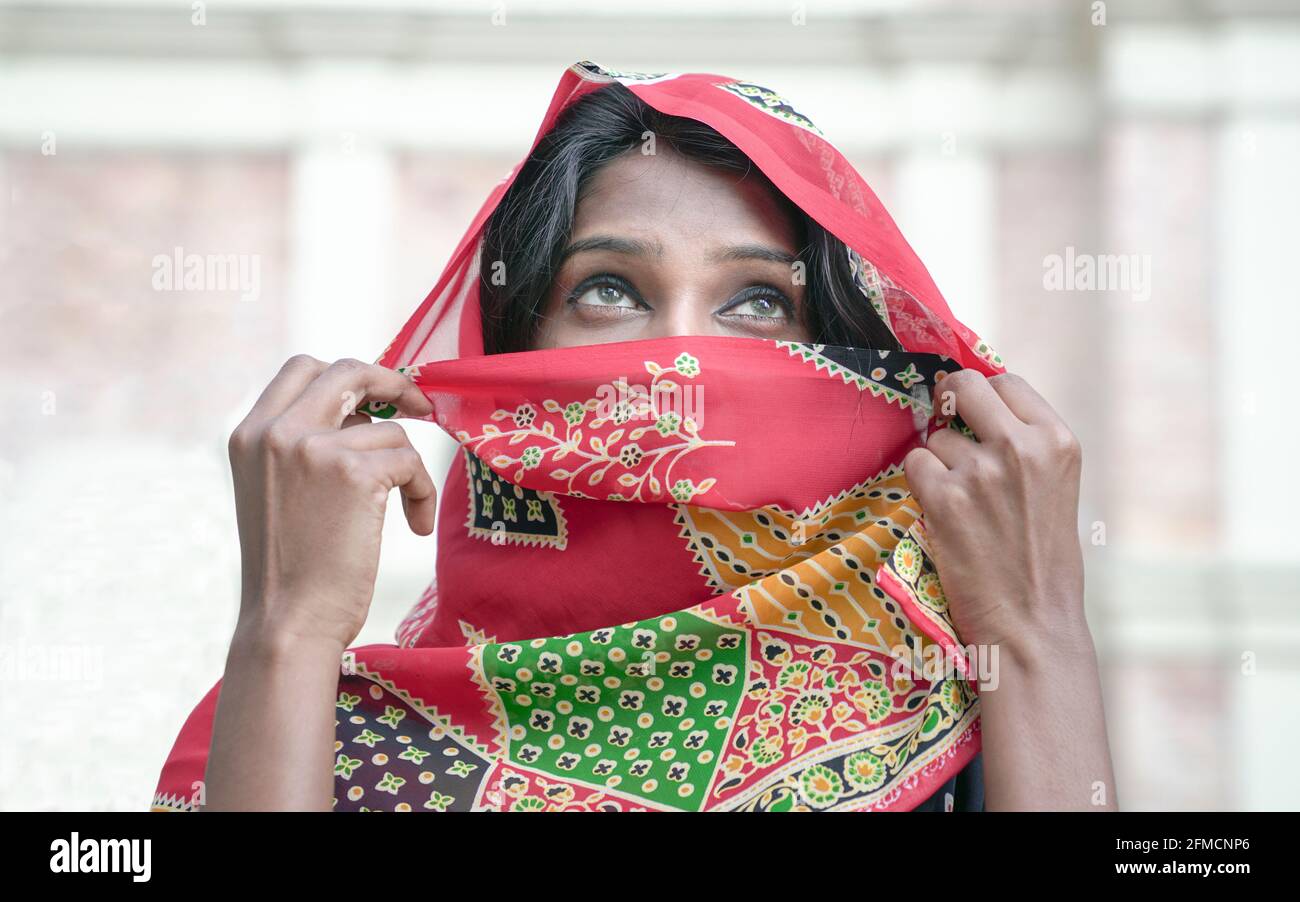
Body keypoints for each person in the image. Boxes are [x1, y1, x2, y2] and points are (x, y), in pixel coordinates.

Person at [152, 62, 1117, 812]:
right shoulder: (312, 733)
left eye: (756, 300)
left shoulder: (948, 713)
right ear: (512, 338)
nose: (681, 358)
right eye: (609, 289)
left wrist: (1037, 633)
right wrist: (283, 627)